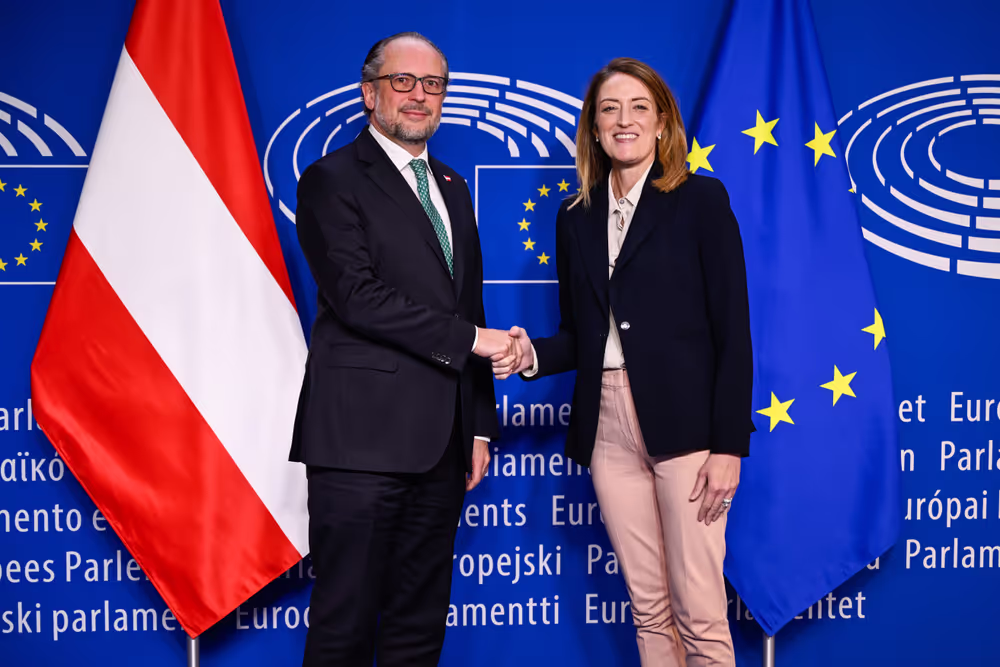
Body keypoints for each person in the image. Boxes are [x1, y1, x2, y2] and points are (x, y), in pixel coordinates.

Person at [495, 58, 753, 667]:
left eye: (639, 107)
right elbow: (580, 335)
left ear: (662, 123)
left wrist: (728, 447)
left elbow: (734, 331)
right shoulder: (574, 217)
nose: (624, 120)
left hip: (687, 428)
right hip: (607, 427)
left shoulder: (699, 199)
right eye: (609, 109)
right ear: (594, 128)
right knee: (649, 606)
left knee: (699, 607)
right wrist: (530, 353)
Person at [290, 32, 516, 667]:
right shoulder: (330, 180)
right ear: (370, 93)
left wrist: (477, 428)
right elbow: (357, 297)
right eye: (403, 81)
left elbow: (466, 307)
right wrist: (473, 340)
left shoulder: (452, 186)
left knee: (419, 629)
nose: (420, 96)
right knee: (345, 624)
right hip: (360, 441)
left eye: (434, 84)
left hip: (442, 444)